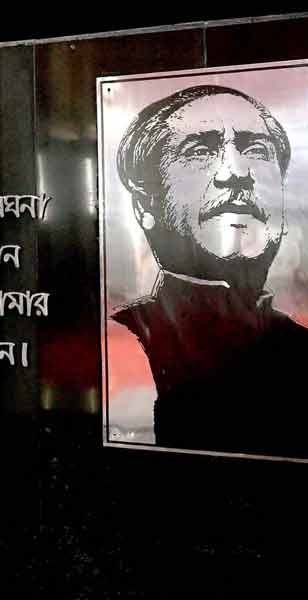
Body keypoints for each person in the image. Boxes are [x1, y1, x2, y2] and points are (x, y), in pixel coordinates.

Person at [111, 84, 308, 457]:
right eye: (200, 150)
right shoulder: (124, 344)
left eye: (255, 149)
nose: (237, 172)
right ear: (144, 205)